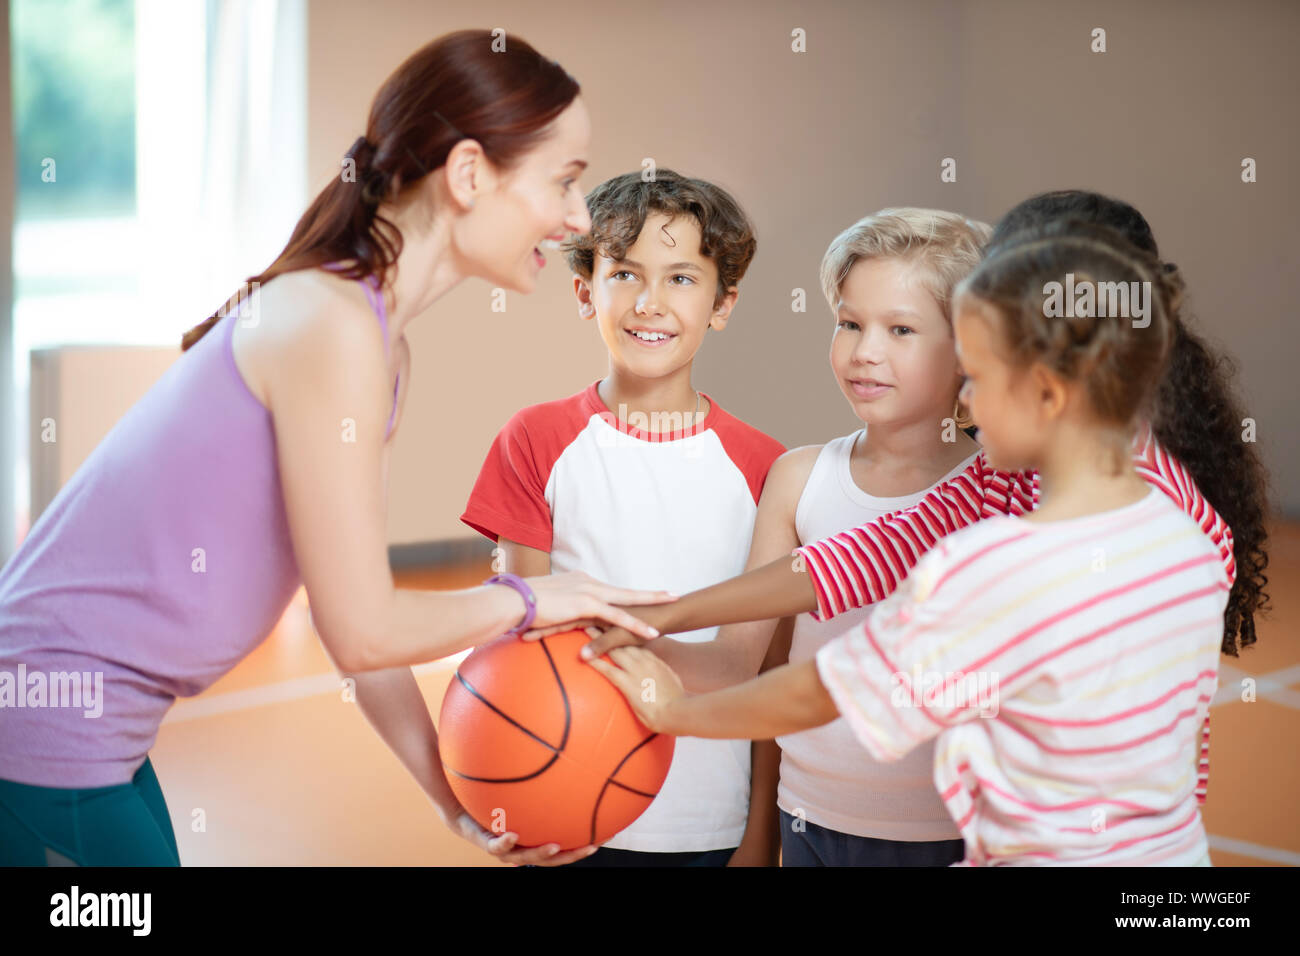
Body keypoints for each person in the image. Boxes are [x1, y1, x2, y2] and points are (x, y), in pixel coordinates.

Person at [0, 28, 676, 867]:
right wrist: (539, 599)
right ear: (469, 174)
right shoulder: (331, 326)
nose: (579, 215)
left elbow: (349, 618)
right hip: (40, 733)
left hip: (86, 735)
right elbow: (365, 631)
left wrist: (454, 803)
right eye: (564, 181)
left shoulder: (373, 340)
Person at [592, 221, 1228, 866]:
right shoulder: (1191, 535)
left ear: (1047, 391)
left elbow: (828, 691)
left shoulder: (995, 567)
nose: (968, 400)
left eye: (977, 377)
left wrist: (675, 713)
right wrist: (673, 614)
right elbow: (862, 556)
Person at [460, 169, 785, 865]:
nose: (649, 302)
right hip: (566, 812)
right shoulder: (534, 440)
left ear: (723, 303)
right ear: (586, 292)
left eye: (681, 279)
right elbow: (523, 633)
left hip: (707, 819)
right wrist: (513, 800)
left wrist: (762, 831)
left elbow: (764, 674)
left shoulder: (768, 468)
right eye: (626, 274)